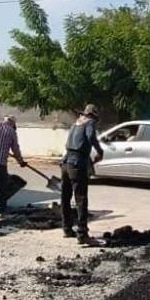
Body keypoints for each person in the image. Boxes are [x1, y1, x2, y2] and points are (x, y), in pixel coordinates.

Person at [61, 104, 103, 245]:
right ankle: (82, 234)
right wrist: (100, 151)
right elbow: (91, 137)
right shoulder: (89, 122)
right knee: (81, 199)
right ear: (93, 115)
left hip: (66, 162)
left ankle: (67, 229)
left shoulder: (76, 123)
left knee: (65, 198)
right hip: (77, 163)